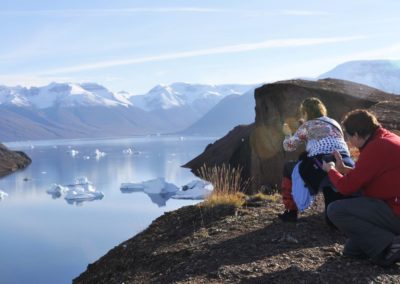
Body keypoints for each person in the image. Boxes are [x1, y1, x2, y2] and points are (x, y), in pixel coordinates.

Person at [322, 109, 400, 267]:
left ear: (357, 134)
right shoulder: (386, 139)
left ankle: (393, 246)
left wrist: (331, 170)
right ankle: (387, 242)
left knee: (335, 210)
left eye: (349, 137)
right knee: (352, 250)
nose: (349, 141)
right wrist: (344, 170)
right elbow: (374, 174)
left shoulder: (376, 148)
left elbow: (346, 187)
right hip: (392, 204)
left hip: (395, 210)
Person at [279, 97, 354, 223]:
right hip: (344, 160)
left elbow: (289, 146)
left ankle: (291, 211)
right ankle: (336, 217)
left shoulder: (307, 125)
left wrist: (287, 134)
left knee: (288, 167)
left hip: (320, 163)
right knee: (330, 181)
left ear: (305, 112)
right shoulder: (333, 122)